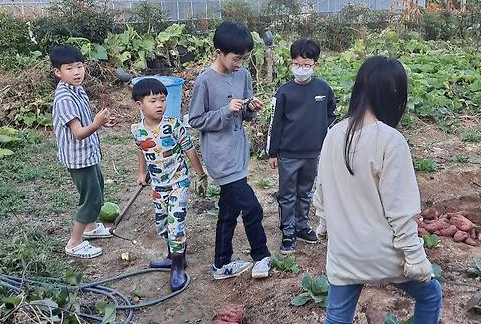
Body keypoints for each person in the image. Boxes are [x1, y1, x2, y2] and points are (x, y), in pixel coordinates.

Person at [309, 57, 470, 324]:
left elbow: (320, 193)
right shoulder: (390, 140)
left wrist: (325, 227)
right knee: (430, 295)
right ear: (394, 95)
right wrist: (416, 259)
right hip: (383, 252)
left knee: (336, 321)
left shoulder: (334, 133)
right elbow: (401, 213)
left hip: (344, 253)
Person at [188, 21, 272, 281]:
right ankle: (261, 256)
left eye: (245, 59)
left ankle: (221, 264)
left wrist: (250, 109)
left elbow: (244, 114)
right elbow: (195, 120)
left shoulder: (243, 75)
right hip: (220, 158)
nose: (240, 64)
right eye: (236, 58)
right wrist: (225, 111)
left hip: (238, 153)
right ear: (219, 52)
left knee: (228, 211)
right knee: (252, 208)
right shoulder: (204, 82)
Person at [131, 78, 207, 292]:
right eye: (153, 100)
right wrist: (141, 172)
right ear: (139, 105)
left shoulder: (173, 125)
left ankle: (177, 268)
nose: (159, 105)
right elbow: (141, 150)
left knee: (175, 225)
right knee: (162, 224)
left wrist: (200, 174)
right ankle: (173, 256)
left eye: (162, 100)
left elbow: (189, 149)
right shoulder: (137, 130)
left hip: (178, 182)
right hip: (158, 185)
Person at [267, 39, 336, 254]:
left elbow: (331, 115)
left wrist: (323, 136)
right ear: (291, 63)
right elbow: (275, 123)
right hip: (288, 154)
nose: (302, 69)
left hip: (312, 153)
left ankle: (302, 226)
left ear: (315, 64)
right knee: (287, 194)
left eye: (306, 65)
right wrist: (273, 152)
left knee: (305, 191)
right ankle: (287, 232)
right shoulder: (284, 92)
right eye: (297, 64)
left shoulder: (323, 89)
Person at [50, 45, 113, 259]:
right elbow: (77, 133)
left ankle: (91, 227)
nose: (77, 72)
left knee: (98, 187)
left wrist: (101, 123)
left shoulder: (77, 89)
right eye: (69, 68)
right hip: (78, 158)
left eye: (79, 66)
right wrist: (97, 123)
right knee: (90, 198)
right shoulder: (64, 98)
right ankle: (75, 242)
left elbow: (86, 122)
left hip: (88, 153)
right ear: (58, 72)